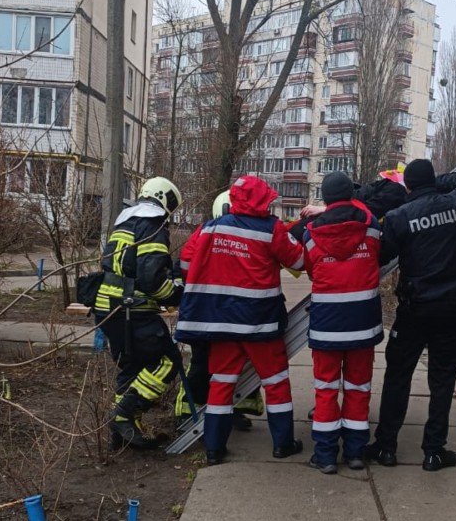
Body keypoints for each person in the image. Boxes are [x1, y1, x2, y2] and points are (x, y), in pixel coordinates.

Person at [175, 176, 305, 465]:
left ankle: (214, 449)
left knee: (221, 382)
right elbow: (298, 262)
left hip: (220, 323)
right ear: (260, 201)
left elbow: (185, 263)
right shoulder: (271, 229)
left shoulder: (209, 228)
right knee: (276, 381)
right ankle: (282, 444)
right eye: (268, 199)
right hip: (260, 323)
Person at [365, 159, 456, 472]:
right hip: (451, 310)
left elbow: (381, 256)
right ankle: (433, 451)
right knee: (442, 380)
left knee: (398, 376)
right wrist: (439, 181)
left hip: (415, 310)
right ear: (431, 181)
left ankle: (386, 447)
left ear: (408, 186)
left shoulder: (398, 216)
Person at [94, 177, 186, 450]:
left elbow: (127, 266)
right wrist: (177, 295)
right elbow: (151, 280)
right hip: (131, 309)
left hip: (109, 306)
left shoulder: (126, 220)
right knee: (168, 362)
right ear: (165, 199)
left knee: (131, 365)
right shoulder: (153, 223)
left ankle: (120, 437)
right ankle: (123, 415)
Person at [302, 172, 383, 474]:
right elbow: (376, 255)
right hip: (363, 323)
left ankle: (324, 456)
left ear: (324, 198)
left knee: (325, 390)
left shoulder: (310, 234)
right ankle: (355, 453)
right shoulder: (370, 226)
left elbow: (310, 270)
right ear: (351, 195)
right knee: (358, 388)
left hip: (326, 325)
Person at [174, 190, 265, 430]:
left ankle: (194, 411)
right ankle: (213, 411)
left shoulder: (204, 231)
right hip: (235, 315)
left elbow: (184, 263)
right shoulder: (251, 232)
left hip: (203, 315)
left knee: (204, 363)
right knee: (230, 364)